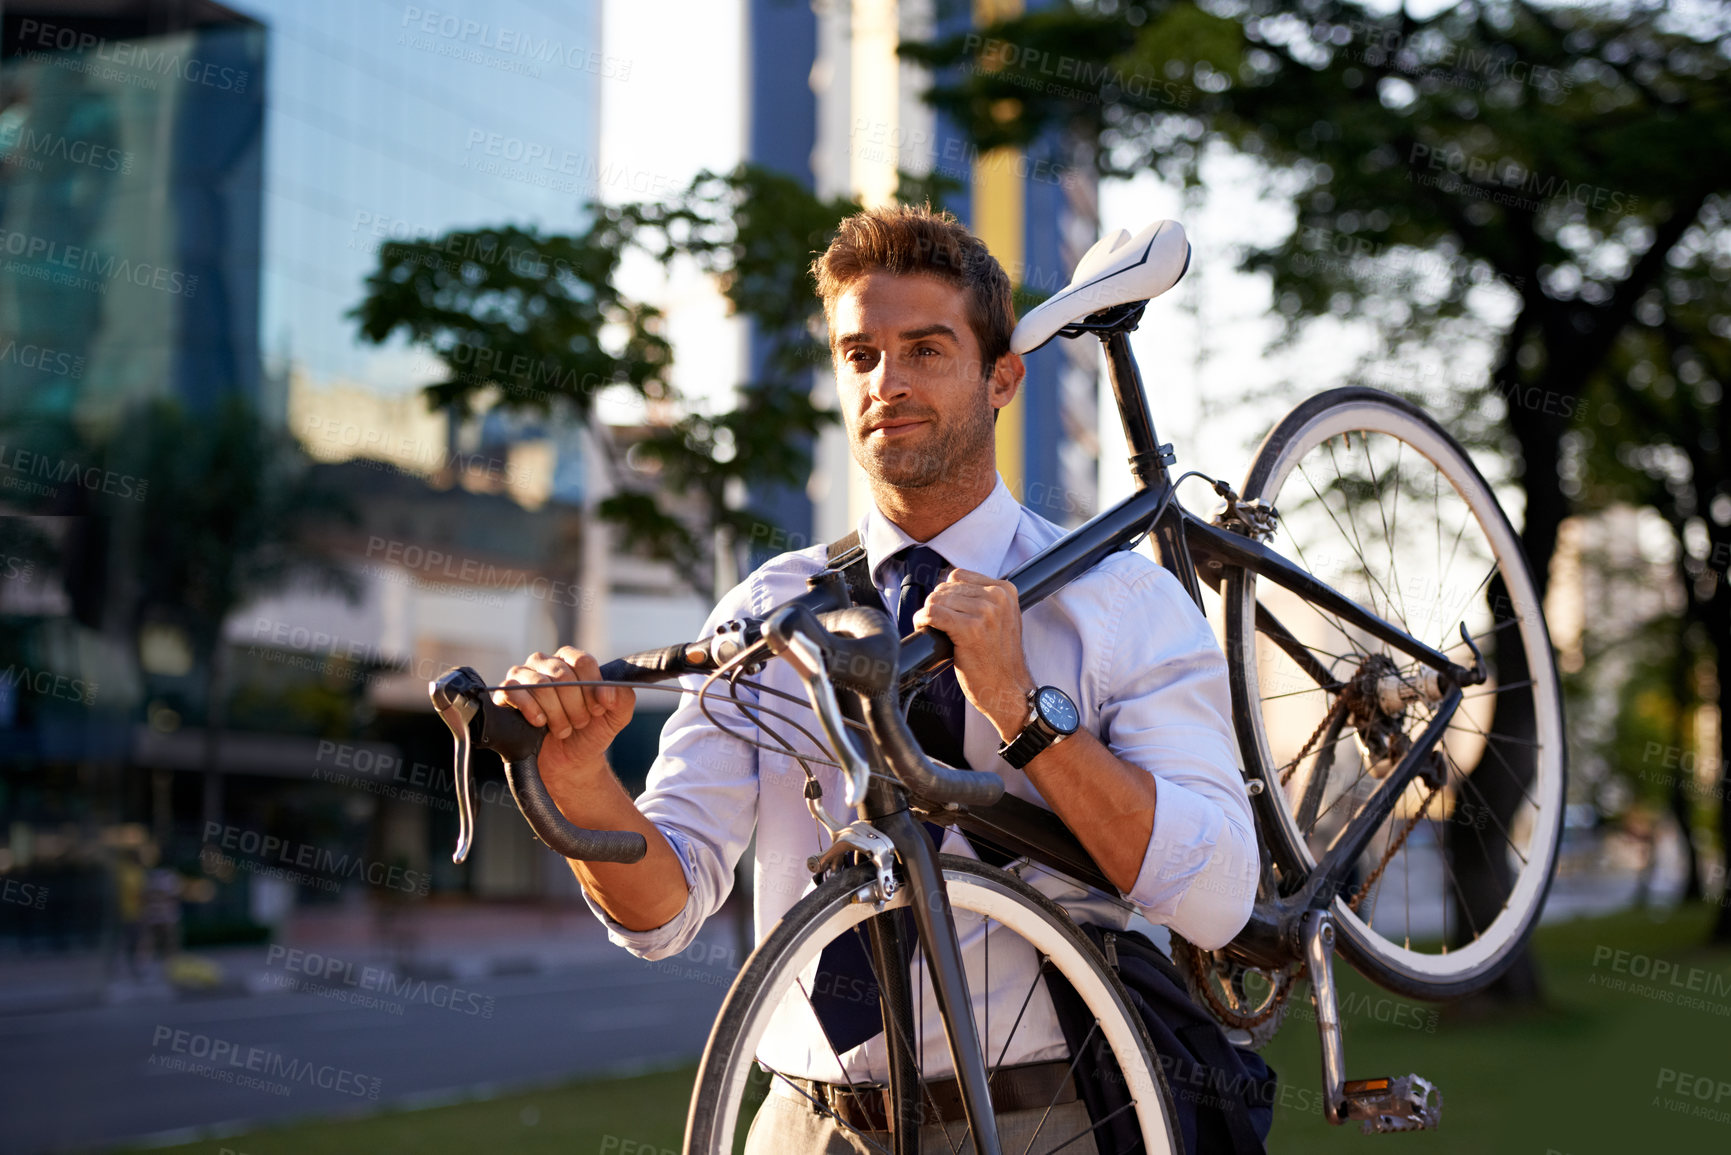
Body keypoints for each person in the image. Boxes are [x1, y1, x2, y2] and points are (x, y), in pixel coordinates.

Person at [496, 204, 1258, 1153]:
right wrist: (577, 786)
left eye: (927, 349)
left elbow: (1218, 893)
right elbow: (664, 907)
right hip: (804, 1126)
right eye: (859, 354)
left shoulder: (1116, 600)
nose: (886, 383)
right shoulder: (768, 608)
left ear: (1002, 378)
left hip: (1043, 1118)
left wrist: (1024, 712)